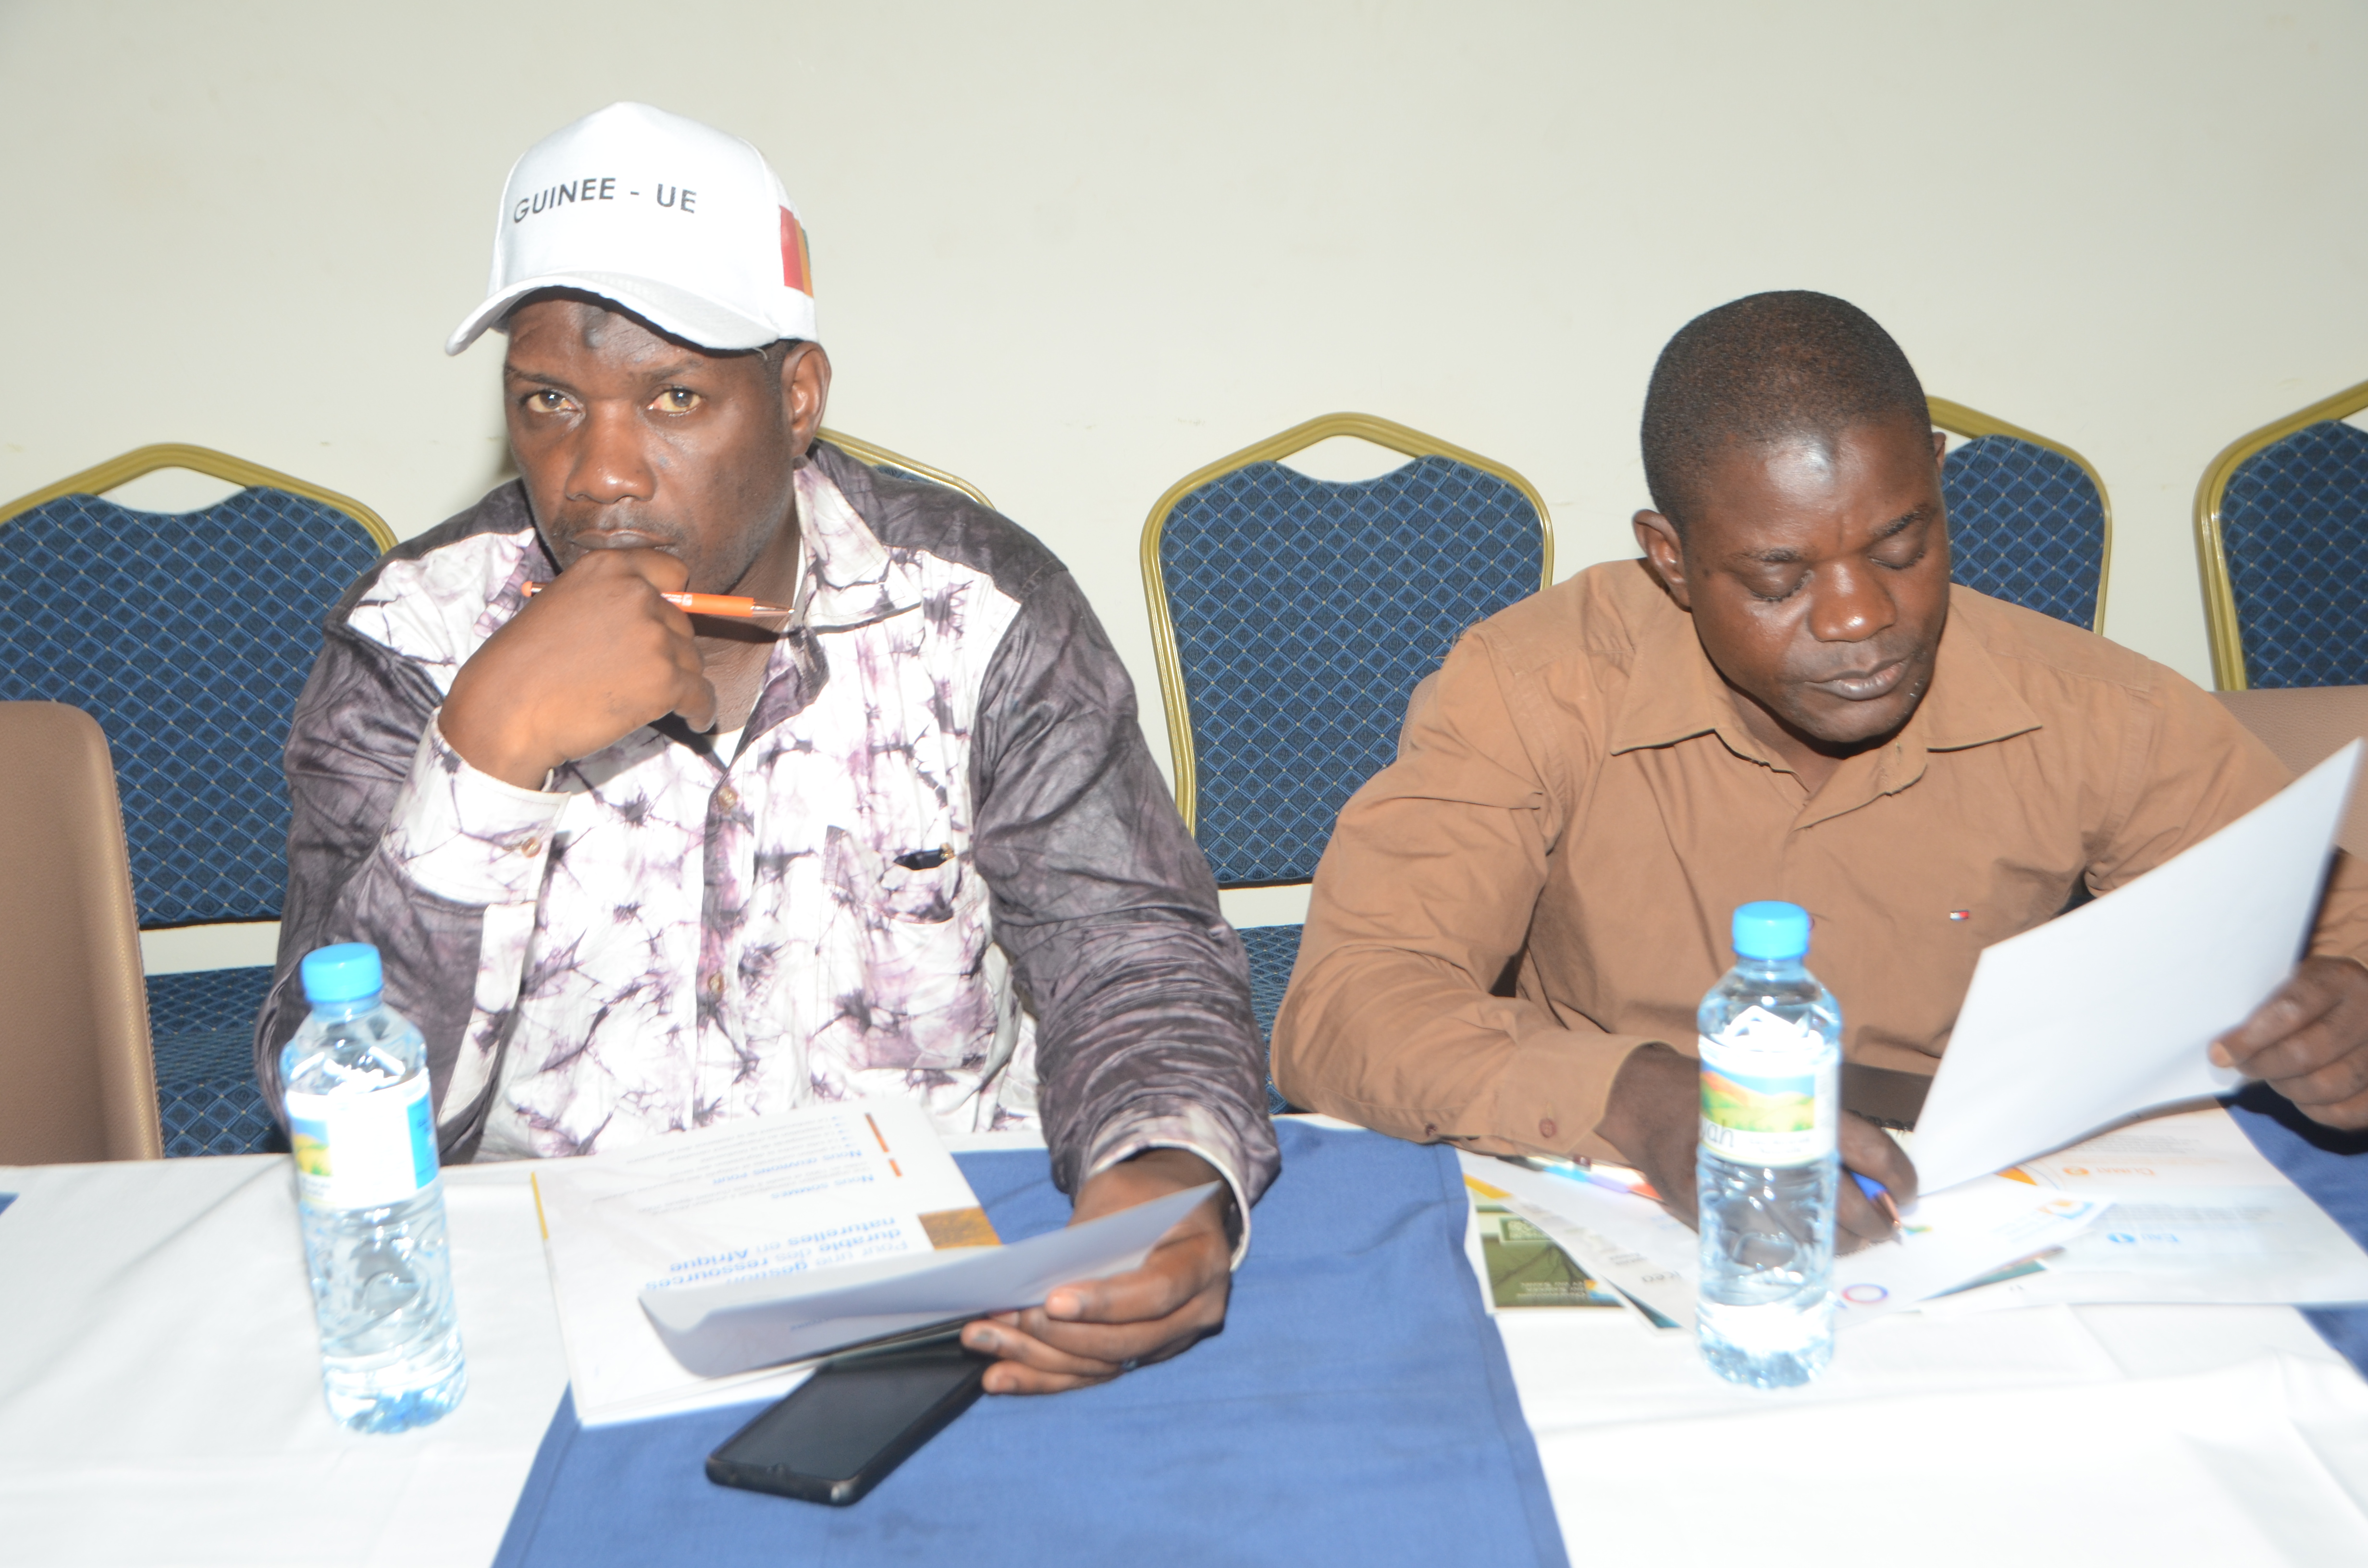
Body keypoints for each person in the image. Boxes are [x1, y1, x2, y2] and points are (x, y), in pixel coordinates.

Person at [254, 103, 1278, 1393]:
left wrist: (1164, 1187)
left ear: (795, 398)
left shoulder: (979, 611)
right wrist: (489, 753)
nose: (601, 474)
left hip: (947, 1302)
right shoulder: (415, 636)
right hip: (552, 1315)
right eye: (550, 402)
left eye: (674, 397)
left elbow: (1132, 956)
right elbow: (329, 1099)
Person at [1271, 289, 2368, 1247]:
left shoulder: (2095, 711)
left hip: (1979, 1205)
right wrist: (1639, 1097)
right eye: (1777, 576)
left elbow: (2328, 943)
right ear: (1671, 559)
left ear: (1938, 486)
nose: (1860, 618)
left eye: (1901, 547)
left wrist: (2343, 1018)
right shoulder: (1535, 685)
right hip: (1624, 1189)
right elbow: (1347, 1008)